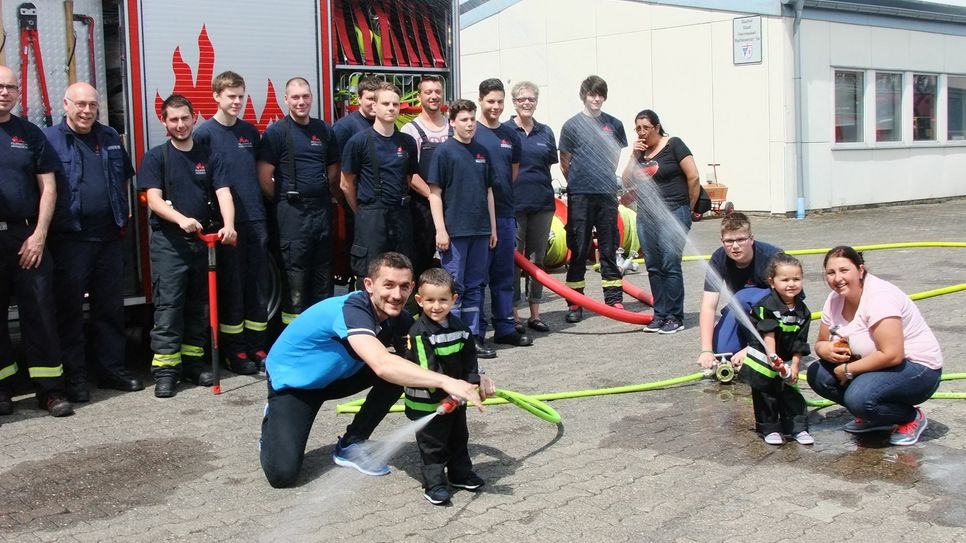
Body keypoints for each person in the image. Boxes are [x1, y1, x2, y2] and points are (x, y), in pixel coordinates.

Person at [259, 252, 488, 488]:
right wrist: (445, 382)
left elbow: (431, 355)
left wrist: (475, 377)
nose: (396, 295)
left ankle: (351, 444)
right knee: (282, 475)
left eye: (403, 286)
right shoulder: (352, 310)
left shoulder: (398, 317)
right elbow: (381, 364)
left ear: (411, 289)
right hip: (296, 386)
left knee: (405, 367)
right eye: (388, 285)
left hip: (339, 376)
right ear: (368, 284)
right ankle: (273, 420)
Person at [43, 82, 143, 403]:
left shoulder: (110, 137)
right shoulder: (49, 140)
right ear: (65, 104)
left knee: (110, 310)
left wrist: (122, 214)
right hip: (70, 239)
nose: (86, 111)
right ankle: (75, 377)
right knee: (70, 311)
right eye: (80, 104)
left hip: (110, 239)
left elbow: (124, 177)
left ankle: (112, 370)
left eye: (92, 105)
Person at [137, 95, 237, 398]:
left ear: (195, 117)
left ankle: (193, 363)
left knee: (199, 307)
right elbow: (153, 200)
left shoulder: (209, 155)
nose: (180, 125)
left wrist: (229, 225)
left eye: (184, 118)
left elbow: (224, 193)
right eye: (173, 120)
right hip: (170, 244)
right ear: (164, 122)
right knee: (169, 307)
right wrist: (180, 219)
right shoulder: (157, 158)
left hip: (203, 243)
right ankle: (167, 371)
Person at [806, 246, 942, 447]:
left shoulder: (879, 298)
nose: (837, 278)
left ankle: (910, 417)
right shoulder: (835, 299)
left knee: (859, 398)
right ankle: (875, 416)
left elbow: (892, 355)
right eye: (831, 272)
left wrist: (847, 369)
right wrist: (824, 350)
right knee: (817, 374)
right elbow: (822, 342)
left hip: (918, 369)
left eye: (844, 270)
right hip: (875, 364)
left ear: (860, 270)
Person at [0, 65, 73, 417]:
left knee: (41, 314)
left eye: (10, 87)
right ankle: (3, 390)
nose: (4, 92)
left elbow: (49, 187)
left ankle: (50, 390)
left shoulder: (29, 134)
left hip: (26, 236)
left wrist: (39, 235)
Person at [194, 71, 267, 375]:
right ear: (216, 97)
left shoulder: (250, 132)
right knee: (233, 288)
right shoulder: (204, 135)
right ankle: (235, 352)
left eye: (241, 96)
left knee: (257, 287)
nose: (237, 102)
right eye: (231, 96)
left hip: (256, 218)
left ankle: (258, 346)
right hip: (227, 225)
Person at [404, 267, 494, 505]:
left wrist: (473, 383)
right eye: (430, 300)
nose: (436, 306)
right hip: (426, 403)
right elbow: (427, 372)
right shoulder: (419, 332)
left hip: (455, 399)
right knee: (433, 445)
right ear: (419, 300)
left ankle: (460, 474)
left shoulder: (461, 329)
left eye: (443, 300)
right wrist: (450, 392)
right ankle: (434, 483)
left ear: (454, 299)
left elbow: (469, 361)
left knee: (458, 437)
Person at [257, 77, 340, 326]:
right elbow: (263, 176)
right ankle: (293, 337)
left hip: (321, 212)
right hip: (292, 214)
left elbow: (333, 169)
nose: (301, 101)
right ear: (286, 100)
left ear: (312, 97)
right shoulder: (277, 132)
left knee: (322, 276)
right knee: (295, 280)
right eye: (295, 97)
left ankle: (321, 334)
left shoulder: (324, 130)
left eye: (305, 96)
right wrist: (284, 199)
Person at [426, 99, 498, 359]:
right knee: (453, 287)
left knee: (476, 286)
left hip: (480, 231)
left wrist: (492, 228)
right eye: (464, 120)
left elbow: (488, 192)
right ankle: (450, 339)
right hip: (455, 233)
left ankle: (472, 337)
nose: (469, 124)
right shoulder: (444, 152)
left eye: (472, 119)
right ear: (452, 122)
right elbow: (435, 194)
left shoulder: (482, 153)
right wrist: (440, 230)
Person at [622, 109, 699, 335]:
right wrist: (632, 156)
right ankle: (660, 315)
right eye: (638, 129)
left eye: (646, 128)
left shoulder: (674, 145)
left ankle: (676, 316)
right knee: (653, 266)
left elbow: (693, 177)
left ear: (657, 127)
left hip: (674, 211)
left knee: (669, 263)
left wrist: (690, 209)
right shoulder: (640, 154)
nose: (642, 133)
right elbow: (626, 181)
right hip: (646, 215)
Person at [558, 75, 627, 322]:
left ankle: (614, 300)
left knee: (609, 247)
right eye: (591, 94)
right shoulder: (571, 126)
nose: (596, 99)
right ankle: (575, 304)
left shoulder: (614, 124)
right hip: (580, 195)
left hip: (606, 194)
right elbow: (565, 162)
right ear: (583, 96)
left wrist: (602, 179)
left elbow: (615, 157)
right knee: (578, 249)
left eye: (600, 95)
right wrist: (581, 182)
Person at [340, 82, 421, 276]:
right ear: (374, 106)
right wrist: (361, 212)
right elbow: (346, 183)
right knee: (370, 275)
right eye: (386, 103)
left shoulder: (407, 142)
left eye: (395, 104)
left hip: (400, 215)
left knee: (401, 272)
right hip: (371, 217)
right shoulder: (358, 142)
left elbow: (409, 179)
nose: (391, 108)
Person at [733, 254, 813, 446]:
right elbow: (768, 333)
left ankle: (797, 428)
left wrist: (794, 366)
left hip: (785, 359)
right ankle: (769, 428)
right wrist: (772, 357)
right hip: (764, 357)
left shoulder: (804, 312)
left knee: (790, 394)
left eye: (796, 279)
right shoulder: (766, 306)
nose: (791, 284)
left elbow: (800, 342)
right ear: (772, 282)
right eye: (785, 280)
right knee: (765, 394)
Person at [474, 78, 530, 348]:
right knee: (476, 277)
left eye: (499, 102)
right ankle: (476, 332)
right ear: (480, 101)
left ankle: (505, 327)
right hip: (478, 217)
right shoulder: (471, 131)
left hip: (506, 213)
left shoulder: (510, 135)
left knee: (504, 274)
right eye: (490, 102)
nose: (495, 107)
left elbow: (513, 172)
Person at [696, 213, 782, 369]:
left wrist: (753, 348)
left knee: (742, 296)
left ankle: (762, 347)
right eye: (729, 241)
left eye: (741, 239)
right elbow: (708, 306)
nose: (735, 246)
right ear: (722, 241)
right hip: (741, 309)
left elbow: (791, 303)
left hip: (774, 318)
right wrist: (706, 350)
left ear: (751, 238)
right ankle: (745, 346)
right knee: (723, 352)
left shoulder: (774, 257)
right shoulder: (718, 258)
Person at [504, 81, 557, 334]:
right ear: (514, 102)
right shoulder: (504, 130)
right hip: (513, 206)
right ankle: (514, 315)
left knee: (538, 260)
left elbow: (548, 168)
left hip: (542, 204)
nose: (527, 103)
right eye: (522, 99)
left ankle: (535, 313)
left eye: (531, 99)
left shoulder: (546, 132)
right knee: (514, 260)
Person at [401, 75, 449, 278]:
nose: (433, 96)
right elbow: (408, 174)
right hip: (422, 210)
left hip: (452, 205)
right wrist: (432, 197)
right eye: (428, 92)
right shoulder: (410, 130)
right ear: (419, 96)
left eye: (437, 92)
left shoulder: (453, 128)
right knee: (422, 261)